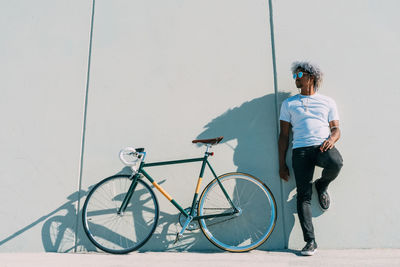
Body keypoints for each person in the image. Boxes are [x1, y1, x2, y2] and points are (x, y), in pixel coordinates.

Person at [278, 61, 343, 256]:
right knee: (303, 196)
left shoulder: (328, 102)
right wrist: (281, 164)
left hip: (322, 146)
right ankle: (310, 241)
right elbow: (283, 135)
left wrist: (332, 139)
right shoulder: (288, 104)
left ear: (311, 77)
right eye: (294, 76)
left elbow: (336, 128)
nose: (296, 79)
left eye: (299, 76)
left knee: (336, 163)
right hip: (300, 151)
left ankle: (322, 185)